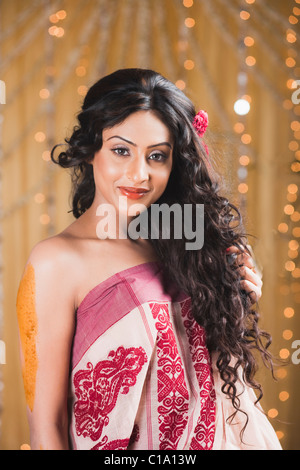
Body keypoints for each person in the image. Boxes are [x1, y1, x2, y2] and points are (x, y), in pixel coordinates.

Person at [16, 68, 281, 450]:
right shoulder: (57, 261)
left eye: (157, 156)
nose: (139, 174)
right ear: (91, 149)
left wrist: (234, 296)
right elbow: (47, 428)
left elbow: (211, 385)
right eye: (121, 150)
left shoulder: (189, 246)